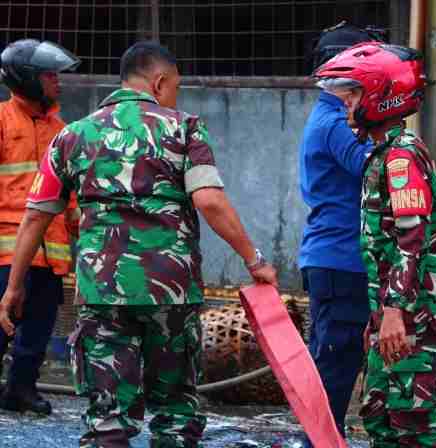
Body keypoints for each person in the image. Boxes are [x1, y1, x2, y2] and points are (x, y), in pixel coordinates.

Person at [0, 41, 278, 447]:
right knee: (176, 413)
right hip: (171, 291)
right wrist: (254, 260)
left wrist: (13, 287)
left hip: (102, 291)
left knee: (108, 419)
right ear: (159, 82)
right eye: (175, 87)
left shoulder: (72, 135)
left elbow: (35, 217)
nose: (175, 96)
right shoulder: (184, 128)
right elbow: (210, 201)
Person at [315, 42, 436, 447]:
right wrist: (379, 316)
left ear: (381, 95)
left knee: (411, 423)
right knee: (379, 416)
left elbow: (411, 240)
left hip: (414, 311)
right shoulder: (381, 154)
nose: (346, 104)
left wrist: (394, 311)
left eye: (353, 94)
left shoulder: (401, 157)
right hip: (393, 312)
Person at [299, 22, 383, 445]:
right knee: (335, 364)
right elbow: (374, 169)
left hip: (334, 258)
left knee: (332, 362)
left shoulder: (333, 118)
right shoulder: (335, 122)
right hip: (340, 259)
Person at [0, 38, 80, 415]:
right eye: (50, 76)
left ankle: (21, 390)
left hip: (51, 252)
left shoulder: (62, 131)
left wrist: (81, 231)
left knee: (39, 326)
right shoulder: (2, 121)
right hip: (7, 248)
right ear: (28, 79)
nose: (57, 82)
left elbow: (72, 194)